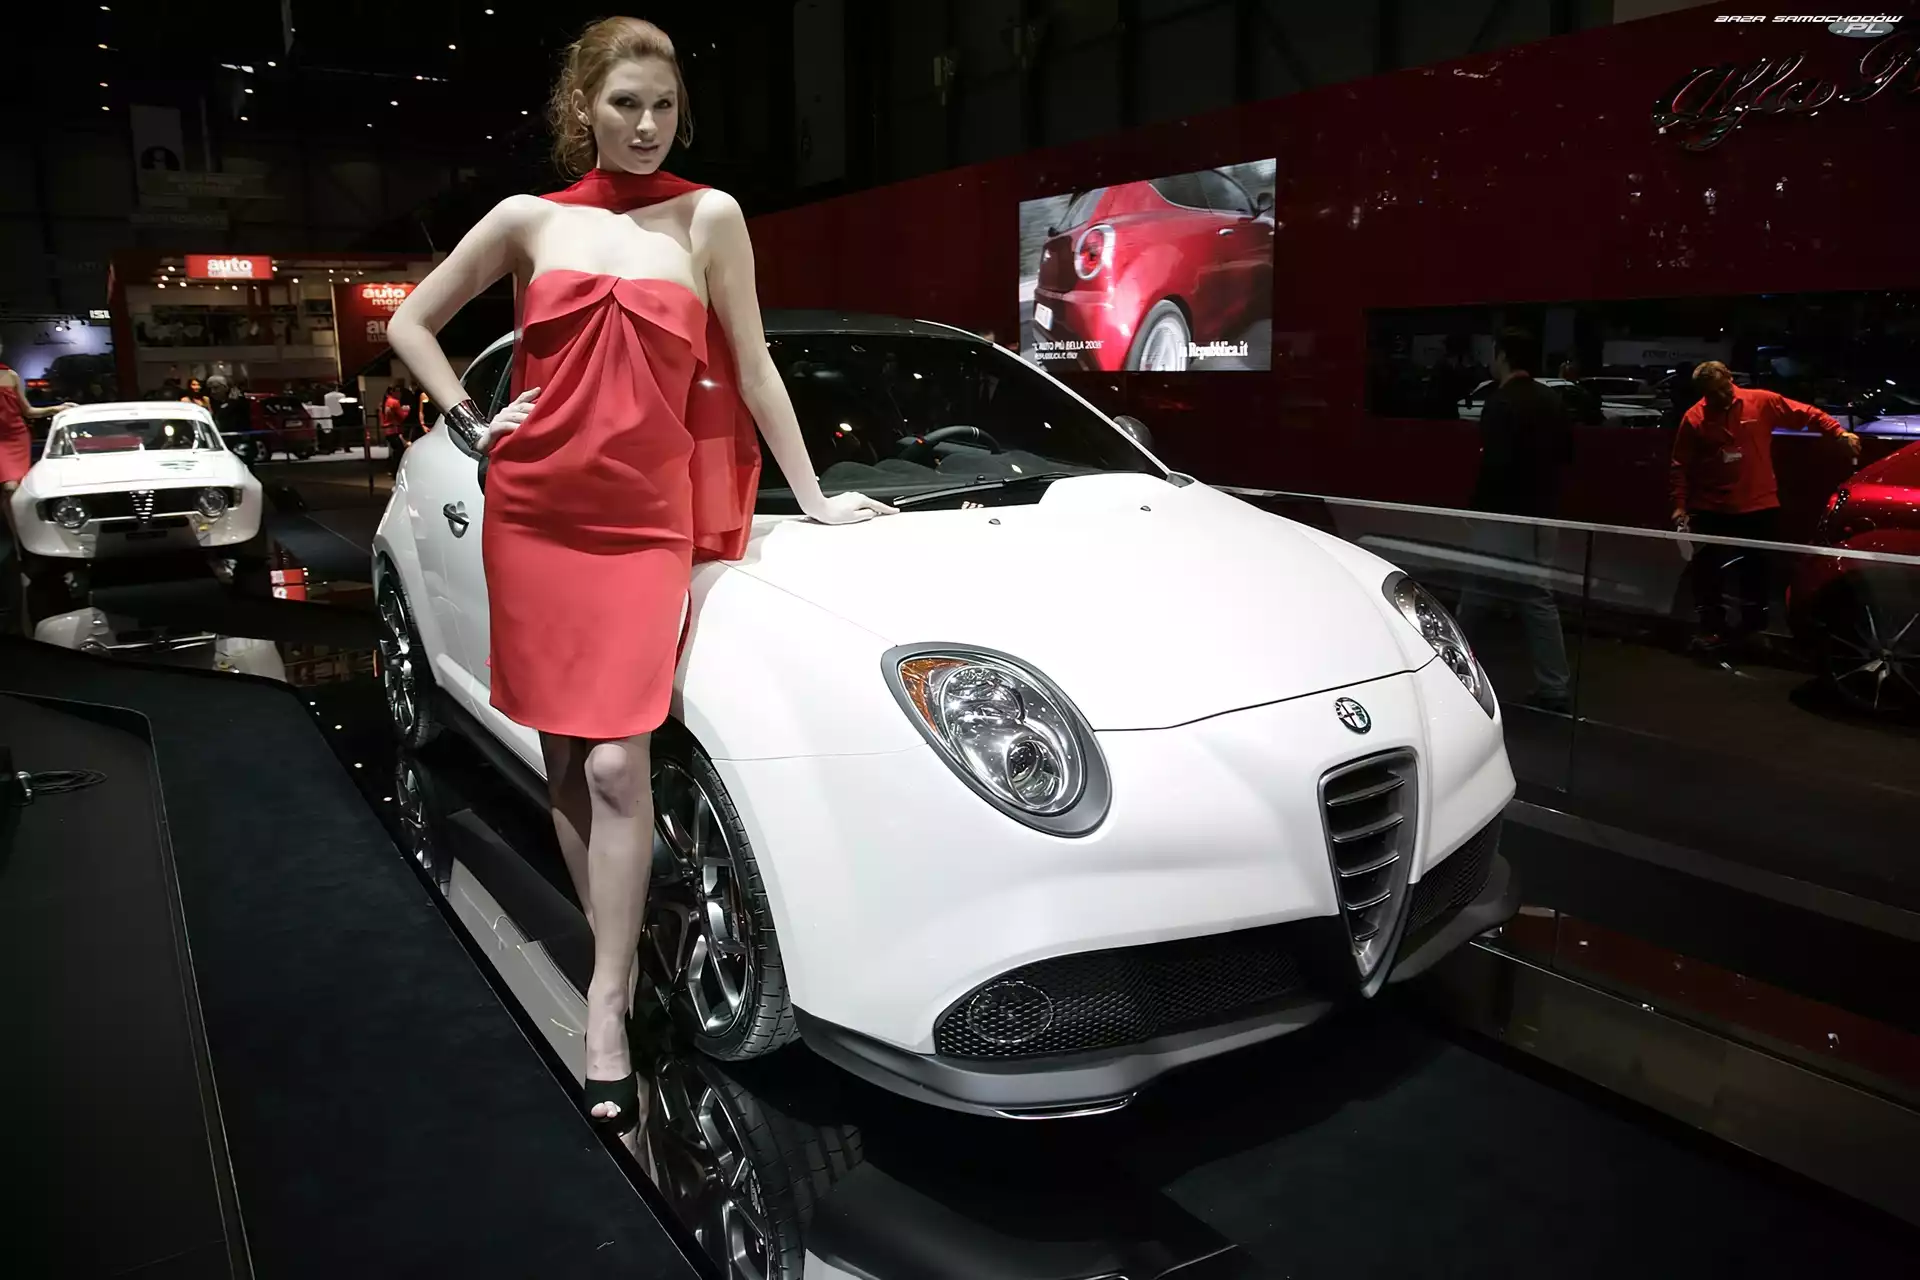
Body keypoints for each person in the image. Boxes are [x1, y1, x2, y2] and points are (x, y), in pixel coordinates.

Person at [382, 15, 893, 1139]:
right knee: (569, 757)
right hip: (536, 511)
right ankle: (615, 954)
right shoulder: (529, 219)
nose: (648, 124)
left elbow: (753, 365)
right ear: (585, 108)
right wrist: (471, 421)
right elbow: (413, 324)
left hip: (641, 521)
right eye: (626, 104)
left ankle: (607, 1001)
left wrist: (811, 497)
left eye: (664, 105)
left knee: (619, 760)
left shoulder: (709, 217)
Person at [1670, 360, 1860, 652]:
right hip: (1710, 507)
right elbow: (1680, 465)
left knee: (1755, 573)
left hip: (1758, 505)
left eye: (1723, 389)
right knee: (1707, 574)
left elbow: (1806, 413)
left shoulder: (1761, 401)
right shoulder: (1694, 418)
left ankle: (1753, 629)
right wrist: (1680, 506)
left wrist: (1838, 433)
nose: (1721, 396)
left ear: (1730, 378)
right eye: (1712, 393)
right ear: (1702, 393)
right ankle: (1712, 629)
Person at [1456, 329, 1575, 714]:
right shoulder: (1552, 399)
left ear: (1504, 356)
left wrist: (1477, 511)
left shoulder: (1500, 402)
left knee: (1477, 593)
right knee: (1537, 597)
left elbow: (1495, 465)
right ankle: (1554, 686)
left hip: (1506, 516)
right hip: (1545, 513)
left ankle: (1452, 670)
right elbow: (1567, 455)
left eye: (1494, 353)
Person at [1, 342, 78, 552]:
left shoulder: (11, 376)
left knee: (15, 489)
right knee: (9, 487)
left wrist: (56, 408)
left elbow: (28, 411)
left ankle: (22, 539)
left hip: (16, 436)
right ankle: (18, 539)